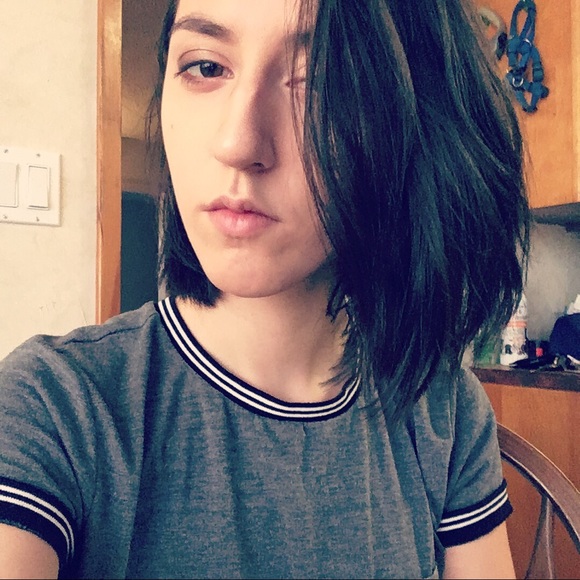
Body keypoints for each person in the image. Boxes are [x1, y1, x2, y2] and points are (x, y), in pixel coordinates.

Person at [0, 0, 529, 577]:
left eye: (322, 79)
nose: (237, 142)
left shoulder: (445, 411)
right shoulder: (52, 408)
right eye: (205, 67)